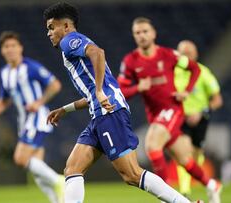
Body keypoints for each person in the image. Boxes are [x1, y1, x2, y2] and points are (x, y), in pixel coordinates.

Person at [43, 3, 203, 203]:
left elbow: (98, 53)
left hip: (108, 113)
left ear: (66, 26)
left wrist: (99, 91)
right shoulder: (76, 45)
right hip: (100, 113)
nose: (48, 33)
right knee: (72, 168)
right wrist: (65, 109)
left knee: (132, 174)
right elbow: (95, 92)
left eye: (51, 27)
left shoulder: (70, 40)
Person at [117, 17, 222, 203]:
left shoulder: (169, 55)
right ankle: (212, 185)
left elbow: (194, 68)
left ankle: (167, 198)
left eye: (145, 31)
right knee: (185, 160)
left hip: (172, 109)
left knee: (151, 145)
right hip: (155, 115)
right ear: (134, 36)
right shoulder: (131, 61)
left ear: (153, 33)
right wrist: (137, 88)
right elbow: (120, 90)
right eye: (137, 33)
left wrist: (186, 92)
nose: (142, 36)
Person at [0, 31, 64, 203]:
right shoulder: (4, 73)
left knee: (20, 159)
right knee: (36, 169)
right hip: (24, 123)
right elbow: (4, 100)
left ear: (20, 48)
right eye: (6, 46)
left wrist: (39, 102)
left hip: (37, 118)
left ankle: (60, 180)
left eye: (13, 45)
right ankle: (58, 201)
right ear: (2, 51)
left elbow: (55, 85)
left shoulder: (31, 67)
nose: (10, 49)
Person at [174, 40, 223, 196]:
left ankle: (205, 184)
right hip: (180, 119)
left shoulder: (203, 72)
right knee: (184, 152)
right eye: (183, 53)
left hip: (200, 119)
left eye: (189, 53)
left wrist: (201, 112)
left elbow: (217, 100)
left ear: (196, 54)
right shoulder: (173, 72)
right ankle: (185, 191)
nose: (186, 56)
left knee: (196, 154)